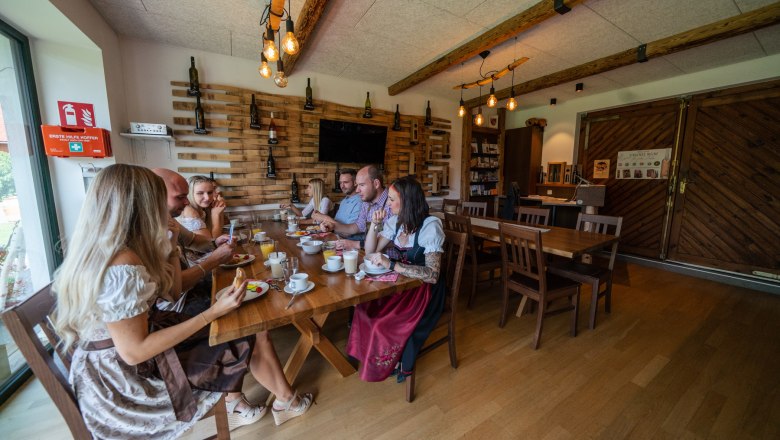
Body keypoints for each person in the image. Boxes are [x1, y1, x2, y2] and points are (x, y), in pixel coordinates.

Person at [156, 168, 314, 427]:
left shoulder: (169, 222)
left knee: (252, 311)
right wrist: (211, 259)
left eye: (189, 196)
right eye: (181, 196)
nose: (187, 202)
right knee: (249, 320)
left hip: (184, 297)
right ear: (155, 195)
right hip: (174, 312)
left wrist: (214, 243)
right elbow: (173, 290)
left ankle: (266, 399)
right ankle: (252, 400)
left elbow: (200, 242)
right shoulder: (158, 231)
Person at [347, 176, 446, 382]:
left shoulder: (430, 226)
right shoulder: (396, 222)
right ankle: (373, 357)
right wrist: (375, 224)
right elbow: (371, 250)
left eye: (392, 199)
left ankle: (393, 361)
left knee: (380, 323)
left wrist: (391, 264)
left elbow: (432, 275)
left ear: (407, 201)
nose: (388, 203)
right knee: (364, 308)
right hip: (401, 285)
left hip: (423, 291)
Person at [314, 165, 393, 246]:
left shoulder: (393, 203)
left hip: (389, 257)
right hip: (370, 253)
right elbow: (357, 227)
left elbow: (394, 240)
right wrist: (333, 226)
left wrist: (356, 244)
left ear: (376, 184)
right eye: (357, 185)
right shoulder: (367, 203)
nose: (357, 190)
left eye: (362, 185)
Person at [177, 175, 226, 239]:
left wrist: (220, 211)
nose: (207, 198)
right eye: (200, 193)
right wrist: (215, 214)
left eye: (210, 192)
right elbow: (211, 244)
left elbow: (220, 229)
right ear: (189, 193)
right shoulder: (189, 211)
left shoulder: (202, 208)